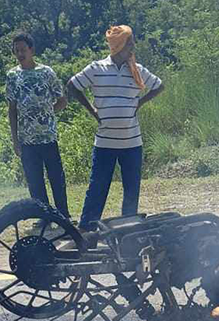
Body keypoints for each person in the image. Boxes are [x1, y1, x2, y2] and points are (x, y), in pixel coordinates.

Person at [67, 25, 165, 231]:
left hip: (132, 142)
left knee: (131, 189)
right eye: (130, 42)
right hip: (105, 142)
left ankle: (128, 230)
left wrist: (140, 102)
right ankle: (87, 230)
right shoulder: (97, 69)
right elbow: (72, 86)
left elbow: (159, 86)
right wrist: (92, 110)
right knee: (98, 187)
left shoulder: (136, 70)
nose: (133, 46)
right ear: (119, 45)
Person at [6, 33, 71, 220]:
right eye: (16, 50)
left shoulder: (46, 72)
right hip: (27, 139)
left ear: (31, 50)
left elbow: (62, 100)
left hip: (48, 137)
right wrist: (15, 140)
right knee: (35, 182)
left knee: (56, 178)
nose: (20, 53)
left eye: (23, 49)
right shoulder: (12, 75)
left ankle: (63, 215)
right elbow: (12, 109)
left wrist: (48, 115)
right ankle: (44, 217)